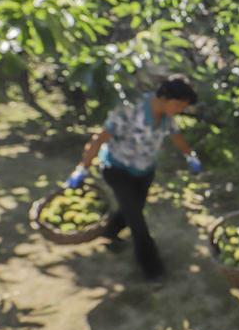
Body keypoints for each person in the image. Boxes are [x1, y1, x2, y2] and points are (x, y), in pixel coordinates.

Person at [65, 75, 202, 282]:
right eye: (179, 105)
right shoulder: (129, 110)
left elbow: (176, 136)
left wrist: (189, 155)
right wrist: (82, 168)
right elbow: (98, 139)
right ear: (165, 97)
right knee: (138, 222)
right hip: (117, 170)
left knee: (133, 207)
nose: (180, 110)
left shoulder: (167, 115)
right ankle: (153, 269)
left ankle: (110, 230)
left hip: (144, 171)